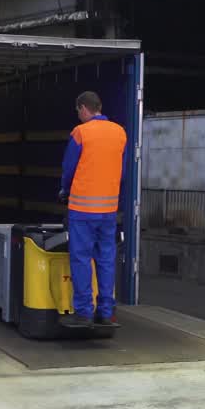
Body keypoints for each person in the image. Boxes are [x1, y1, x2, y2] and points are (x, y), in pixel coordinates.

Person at [58, 91, 127, 329]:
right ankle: (106, 313)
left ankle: (84, 313)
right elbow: (123, 170)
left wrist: (64, 191)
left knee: (81, 259)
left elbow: (69, 168)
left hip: (82, 209)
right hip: (109, 209)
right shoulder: (120, 132)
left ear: (84, 108)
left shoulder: (81, 132)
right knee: (106, 259)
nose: (78, 115)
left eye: (78, 111)